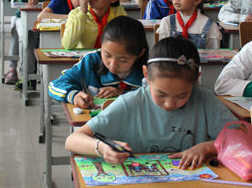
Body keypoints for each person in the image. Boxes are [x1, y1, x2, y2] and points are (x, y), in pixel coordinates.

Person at [64, 37, 236, 170]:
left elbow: (240, 137)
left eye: (182, 95)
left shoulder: (204, 99)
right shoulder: (131, 103)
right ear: (146, 74)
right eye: (161, 94)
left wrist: (208, 147)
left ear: (196, 80)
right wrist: (102, 148)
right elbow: (73, 140)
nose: (169, 104)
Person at [49, 16, 147, 108]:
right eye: (107, 55)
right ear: (101, 45)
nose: (112, 65)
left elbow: (153, 98)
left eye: (123, 60)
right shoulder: (91, 61)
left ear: (140, 54)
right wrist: (74, 95)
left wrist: (123, 93)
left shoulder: (150, 69)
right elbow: (55, 85)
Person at [62, 0, 127, 49]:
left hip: (109, 56)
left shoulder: (118, 13)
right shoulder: (75, 14)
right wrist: (82, 13)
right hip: (84, 57)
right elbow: (68, 45)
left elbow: (124, 43)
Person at [157, 0, 222, 49]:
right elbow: (162, 52)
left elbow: (214, 54)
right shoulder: (167, 22)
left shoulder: (210, 25)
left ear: (197, 0)